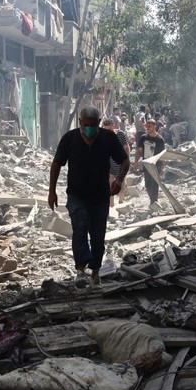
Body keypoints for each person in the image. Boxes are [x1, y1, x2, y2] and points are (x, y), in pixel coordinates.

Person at [49, 106, 129, 288]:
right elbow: (56, 164)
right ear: (80, 123)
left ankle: (95, 273)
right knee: (80, 226)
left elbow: (125, 160)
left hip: (100, 196)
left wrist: (119, 179)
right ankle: (80, 271)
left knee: (98, 235)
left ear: (99, 123)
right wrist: (51, 191)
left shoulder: (108, 139)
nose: (89, 128)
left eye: (93, 125)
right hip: (76, 195)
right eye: (86, 125)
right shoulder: (70, 139)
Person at [134, 119, 166, 208]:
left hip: (157, 165)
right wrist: (136, 162)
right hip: (147, 164)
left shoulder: (159, 139)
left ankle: (154, 202)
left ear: (154, 127)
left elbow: (163, 155)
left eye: (149, 126)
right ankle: (152, 200)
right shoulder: (143, 138)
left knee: (155, 183)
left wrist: (163, 167)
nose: (147, 128)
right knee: (147, 184)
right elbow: (139, 151)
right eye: (146, 126)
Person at [103, 117, 130, 207]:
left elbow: (126, 147)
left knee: (122, 185)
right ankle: (111, 206)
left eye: (110, 129)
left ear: (113, 126)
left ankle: (121, 205)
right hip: (109, 166)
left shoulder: (120, 134)